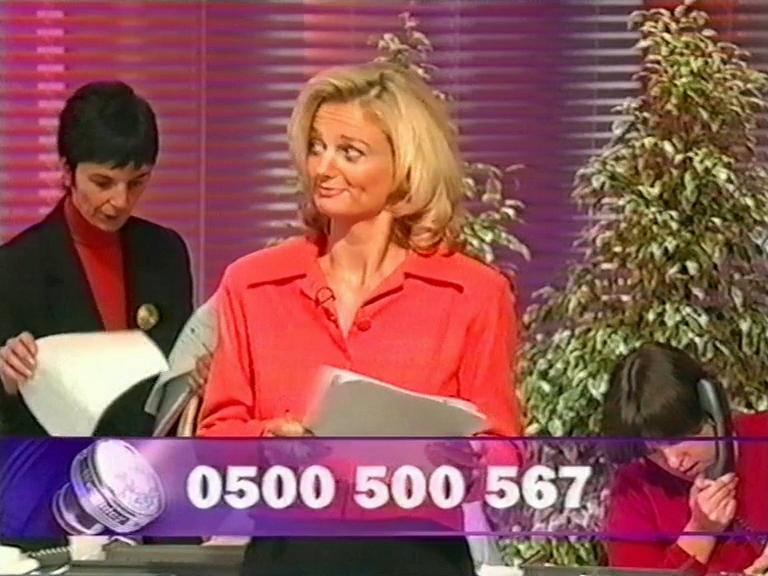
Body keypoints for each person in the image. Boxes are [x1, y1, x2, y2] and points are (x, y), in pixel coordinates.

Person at [197, 62, 523, 576]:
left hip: (420, 558)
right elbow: (214, 441)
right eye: (317, 147)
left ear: (404, 169)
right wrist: (267, 444)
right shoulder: (253, 285)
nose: (323, 168)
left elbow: (505, 452)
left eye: (349, 152)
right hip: (288, 555)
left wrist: (473, 463)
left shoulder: (474, 294)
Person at [0, 80, 196, 438]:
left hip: (152, 461)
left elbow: (175, 376)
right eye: (103, 183)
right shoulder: (16, 268)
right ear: (67, 171)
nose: (120, 201)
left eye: (136, 182)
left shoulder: (166, 252)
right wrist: (8, 381)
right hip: (56, 464)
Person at [602, 342, 768, 575]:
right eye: (653, 452)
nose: (673, 462)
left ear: (711, 408)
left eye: (676, 440)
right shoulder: (634, 490)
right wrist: (700, 532)